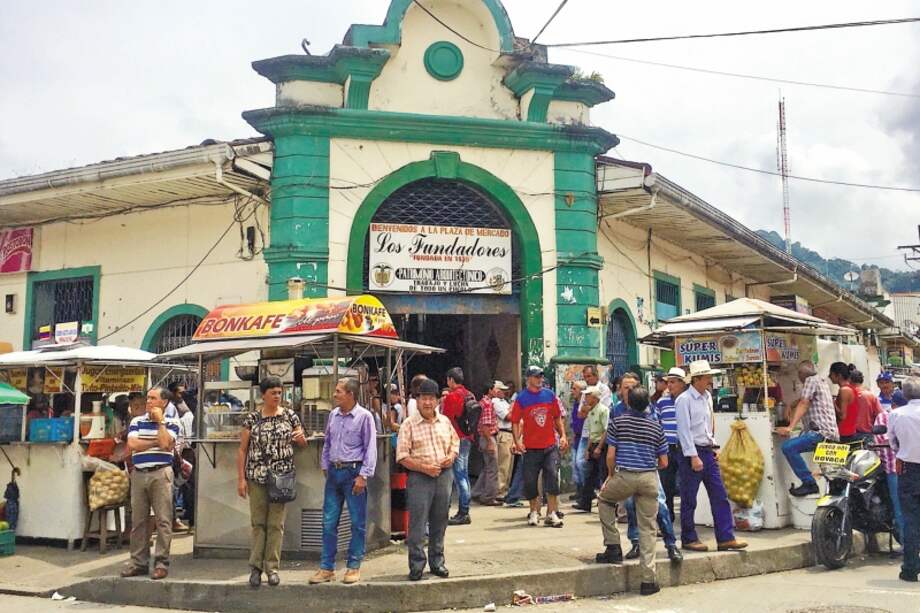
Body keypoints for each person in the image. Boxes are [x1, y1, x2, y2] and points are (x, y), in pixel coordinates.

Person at [594, 385, 669, 596]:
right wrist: (649, 466)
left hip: (624, 476)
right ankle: (648, 580)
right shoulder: (656, 427)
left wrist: (610, 475)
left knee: (604, 500)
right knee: (648, 528)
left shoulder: (618, 422)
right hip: (649, 478)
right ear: (647, 404)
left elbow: (610, 455)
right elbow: (664, 462)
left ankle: (613, 545)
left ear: (628, 402)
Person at [236, 376, 307, 588]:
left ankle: (272, 568)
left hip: (282, 476)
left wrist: (301, 438)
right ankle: (255, 567)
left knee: (276, 524)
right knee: (258, 523)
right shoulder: (252, 419)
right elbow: (242, 450)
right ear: (263, 395)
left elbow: (302, 441)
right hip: (257, 475)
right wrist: (241, 479)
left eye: (279, 392)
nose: (277, 396)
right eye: (273, 393)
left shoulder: (290, 416)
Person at [310, 377, 378, 585]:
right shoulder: (333, 415)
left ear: (350, 394)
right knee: (328, 522)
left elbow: (370, 448)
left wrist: (363, 476)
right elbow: (328, 442)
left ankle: (353, 566)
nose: (334, 395)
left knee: (357, 522)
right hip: (334, 472)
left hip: (354, 472)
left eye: (338, 391)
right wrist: (325, 465)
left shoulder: (364, 417)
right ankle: (326, 568)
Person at [675, 360, 747, 552]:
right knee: (689, 498)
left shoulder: (707, 397)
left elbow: (708, 426)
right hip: (692, 452)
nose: (710, 380)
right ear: (697, 379)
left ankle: (725, 537)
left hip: (706, 450)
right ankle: (689, 537)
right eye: (707, 377)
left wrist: (713, 445)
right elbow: (684, 430)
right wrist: (693, 456)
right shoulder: (684, 400)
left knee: (719, 495)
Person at [396, 378, 460, 581]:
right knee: (417, 523)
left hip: (444, 475)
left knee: (440, 521)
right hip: (419, 478)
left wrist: (452, 456)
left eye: (431, 398)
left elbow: (455, 442)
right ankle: (416, 565)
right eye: (423, 398)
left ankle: (437, 562)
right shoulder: (408, 425)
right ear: (417, 400)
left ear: (437, 401)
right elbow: (402, 456)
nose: (427, 402)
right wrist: (424, 468)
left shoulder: (445, 422)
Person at [614, 373, 681, 563]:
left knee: (660, 506)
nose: (629, 391)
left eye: (632, 387)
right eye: (625, 388)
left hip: (648, 466)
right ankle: (635, 542)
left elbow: (658, 438)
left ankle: (671, 544)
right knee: (630, 506)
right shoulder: (617, 411)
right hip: (626, 467)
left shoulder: (649, 410)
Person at [121, 387, 181, 580]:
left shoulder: (172, 422)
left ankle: (161, 563)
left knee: (163, 520)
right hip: (139, 473)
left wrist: (160, 422)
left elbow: (166, 444)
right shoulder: (137, 421)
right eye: (148, 398)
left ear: (164, 402)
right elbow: (133, 445)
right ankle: (138, 562)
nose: (148, 402)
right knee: (139, 520)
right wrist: (155, 443)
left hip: (161, 472)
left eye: (153, 398)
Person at [512, 365, 568, 528]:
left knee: (552, 477)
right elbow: (515, 421)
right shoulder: (521, 398)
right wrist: (517, 441)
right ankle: (533, 511)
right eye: (536, 376)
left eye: (541, 376)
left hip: (550, 445)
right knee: (530, 481)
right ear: (528, 378)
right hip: (530, 447)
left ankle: (551, 512)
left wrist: (563, 435)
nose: (540, 379)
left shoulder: (549, 395)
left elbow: (557, 418)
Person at [775, 361, 840, 497]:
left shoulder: (810, 380)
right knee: (827, 472)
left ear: (800, 374)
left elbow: (804, 403)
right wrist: (791, 405)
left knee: (788, 447)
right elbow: (803, 400)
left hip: (820, 433)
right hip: (830, 434)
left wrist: (790, 427)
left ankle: (809, 483)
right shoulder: (821, 381)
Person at [888, 376, 920, 583]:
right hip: (908, 467)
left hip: (909, 470)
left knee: (910, 519)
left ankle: (910, 568)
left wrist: (903, 452)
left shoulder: (896, 414)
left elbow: (892, 442)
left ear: (905, 394)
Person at [441, 367, 474, 525]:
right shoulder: (470, 394)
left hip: (456, 438)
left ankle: (463, 511)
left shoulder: (452, 397)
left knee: (459, 476)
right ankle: (465, 510)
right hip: (468, 437)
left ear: (451, 380)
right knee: (464, 474)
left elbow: (445, 420)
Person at [875, 390, 908, 546]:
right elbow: (883, 440)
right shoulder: (884, 417)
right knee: (900, 507)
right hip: (894, 468)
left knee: (904, 507)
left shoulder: (907, 416)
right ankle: (907, 544)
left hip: (905, 468)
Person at [657, 368, 686, 520]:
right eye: (668, 382)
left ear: (682, 383)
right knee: (666, 484)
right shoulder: (662, 402)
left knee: (685, 484)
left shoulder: (688, 400)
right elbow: (657, 424)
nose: (669, 385)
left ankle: (686, 515)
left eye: (673, 382)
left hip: (684, 447)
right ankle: (668, 516)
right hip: (667, 447)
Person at [576, 385, 609, 512]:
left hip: (602, 445)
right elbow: (591, 432)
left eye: (588, 396)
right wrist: (587, 450)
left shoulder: (603, 410)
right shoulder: (591, 412)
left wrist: (599, 448)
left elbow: (606, 430)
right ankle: (585, 503)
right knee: (590, 474)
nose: (585, 398)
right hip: (593, 444)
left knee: (603, 473)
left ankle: (606, 502)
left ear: (594, 397)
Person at [471, 383, 501, 506]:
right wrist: (489, 442)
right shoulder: (488, 404)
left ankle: (477, 492)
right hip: (488, 437)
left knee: (487, 468)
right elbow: (485, 425)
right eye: (495, 389)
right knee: (493, 469)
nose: (497, 391)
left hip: (484, 437)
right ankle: (489, 497)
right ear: (489, 390)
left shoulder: (482, 402)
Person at [492, 381, 514, 499]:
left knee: (509, 465)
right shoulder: (496, 402)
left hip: (510, 434)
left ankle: (505, 490)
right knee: (503, 465)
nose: (504, 392)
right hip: (504, 433)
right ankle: (499, 491)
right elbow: (508, 417)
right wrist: (514, 407)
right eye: (501, 390)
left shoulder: (504, 402)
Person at [829, 362, 859, 443]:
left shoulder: (844, 390)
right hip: (849, 431)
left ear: (839, 375)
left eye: (831, 374)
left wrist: (832, 402)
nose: (829, 377)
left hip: (844, 433)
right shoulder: (851, 388)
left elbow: (842, 416)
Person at [850, 370, 882, 445]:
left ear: (849, 380)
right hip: (867, 435)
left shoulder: (845, 395)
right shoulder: (871, 396)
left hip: (848, 436)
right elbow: (880, 415)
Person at [569, 380, 588, 501]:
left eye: (574, 389)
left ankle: (586, 490)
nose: (572, 391)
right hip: (577, 436)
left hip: (584, 436)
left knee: (580, 463)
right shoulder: (576, 404)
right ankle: (580, 490)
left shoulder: (585, 404)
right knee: (575, 465)